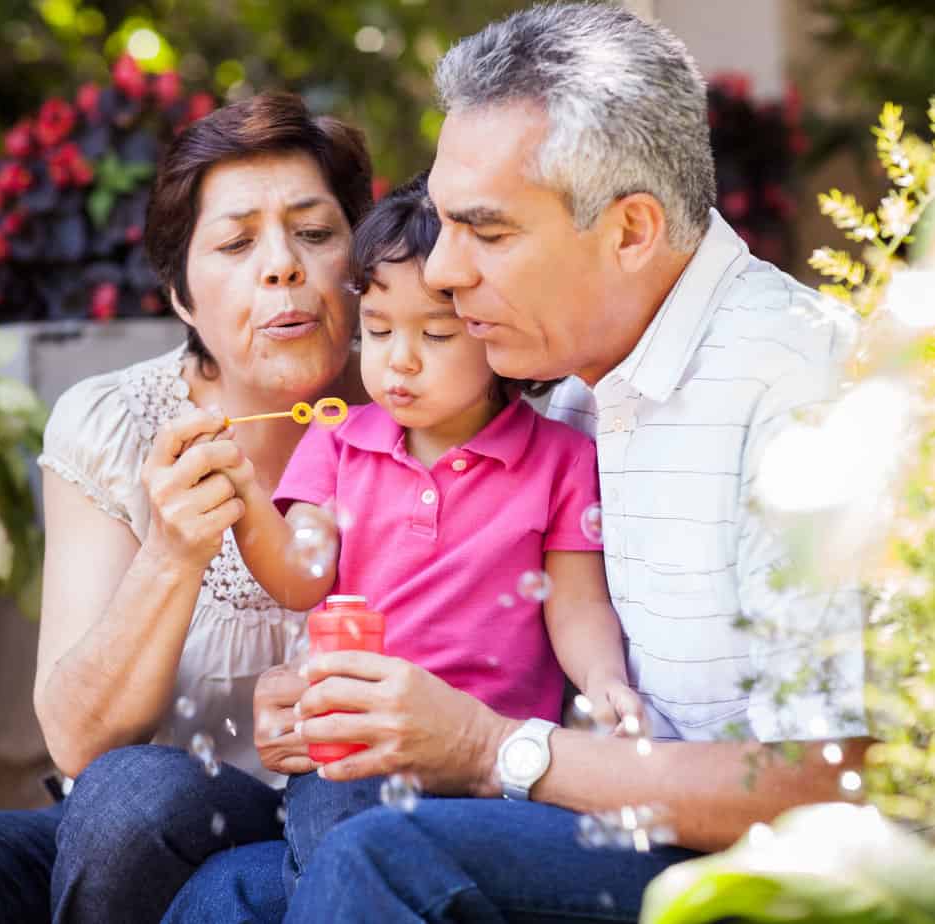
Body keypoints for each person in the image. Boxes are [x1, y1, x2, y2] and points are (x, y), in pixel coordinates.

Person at [167, 6, 869, 922]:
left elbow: (841, 786)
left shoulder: (802, 398)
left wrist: (491, 746)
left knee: (381, 860)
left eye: (486, 233)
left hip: (746, 870)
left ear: (630, 231)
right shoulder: (562, 374)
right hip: (595, 812)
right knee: (224, 893)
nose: (447, 272)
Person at [0, 92, 372, 924]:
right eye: (234, 242)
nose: (282, 265)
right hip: (114, 845)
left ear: (360, 259)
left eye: (316, 232)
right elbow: (77, 740)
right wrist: (172, 555)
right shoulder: (115, 421)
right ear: (181, 295)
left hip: (313, 829)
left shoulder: (422, 413)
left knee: (136, 793)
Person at [227, 174, 643, 893]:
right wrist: (239, 496)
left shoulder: (561, 460)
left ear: (492, 328)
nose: (400, 360)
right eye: (379, 331)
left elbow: (575, 604)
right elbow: (301, 571)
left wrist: (605, 679)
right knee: (339, 830)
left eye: (436, 334)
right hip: (359, 746)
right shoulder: (338, 442)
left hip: (488, 760)